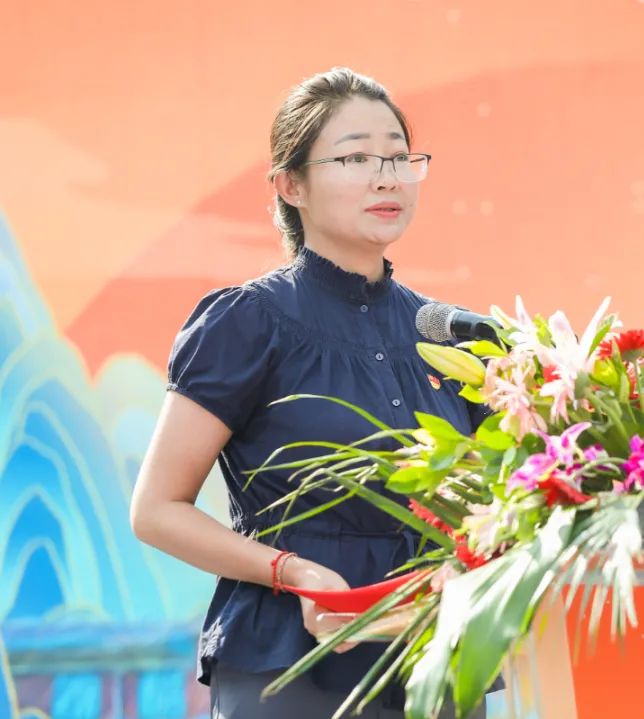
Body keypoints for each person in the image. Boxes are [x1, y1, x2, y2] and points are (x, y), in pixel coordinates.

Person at [130, 67, 490, 718]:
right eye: (356, 156)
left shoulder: (452, 338)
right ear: (290, 184)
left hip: (428, 666)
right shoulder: (248, 321)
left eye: (399, 156)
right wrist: (291, 570)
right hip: (290, 667)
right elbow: (156, 509)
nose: (387, 176)